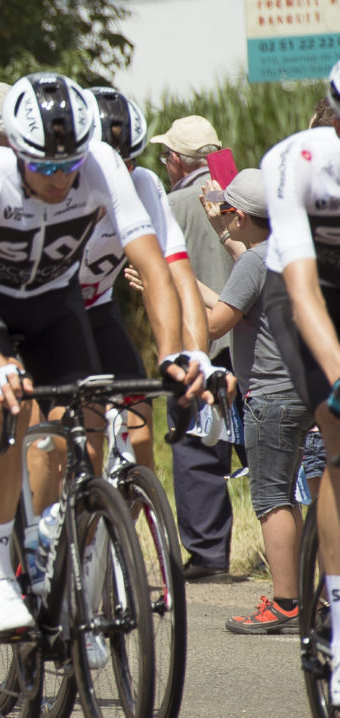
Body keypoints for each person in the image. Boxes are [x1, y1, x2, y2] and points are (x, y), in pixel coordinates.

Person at [0, 72, 202, 636]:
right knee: (3, 410)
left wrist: (173, 355)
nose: (62, 179)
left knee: (86, 416)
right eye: (46, 167)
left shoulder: (103, 164)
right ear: (15, 150)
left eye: (70, 166)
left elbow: (155, 269)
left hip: (55, 305)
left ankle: (53, 540)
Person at [193, 169, 311, 633]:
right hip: (305, 391)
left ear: (239, 214)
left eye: (228, 213)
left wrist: (177, 299)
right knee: (292, 496)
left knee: (271, 499)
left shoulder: (253, 262)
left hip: (270, 394)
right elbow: (238, 296)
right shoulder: (290, 253)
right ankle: (305, 592)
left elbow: (216, 324)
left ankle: (285, 603)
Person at [260, 60, 340, 703]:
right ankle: (339, 624)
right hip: (307, 294)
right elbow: (303, 289)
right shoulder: (303, 158)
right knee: (338, 437)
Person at [82, 87, 210, 471]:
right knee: (82, 431)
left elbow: (176, 278)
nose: (121, 172)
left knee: (139, 425)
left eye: (130, 160)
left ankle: (122, 522)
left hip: (98, 309)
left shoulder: (143, 185)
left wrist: (189, 355)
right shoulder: (62, 190)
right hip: (49, 310)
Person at [150, 114, 239, 580]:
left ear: (175, 162)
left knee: (196, 447)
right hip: (249, 340)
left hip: (198, 338)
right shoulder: (239, 191)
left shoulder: (172, 203)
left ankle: (208, 555)